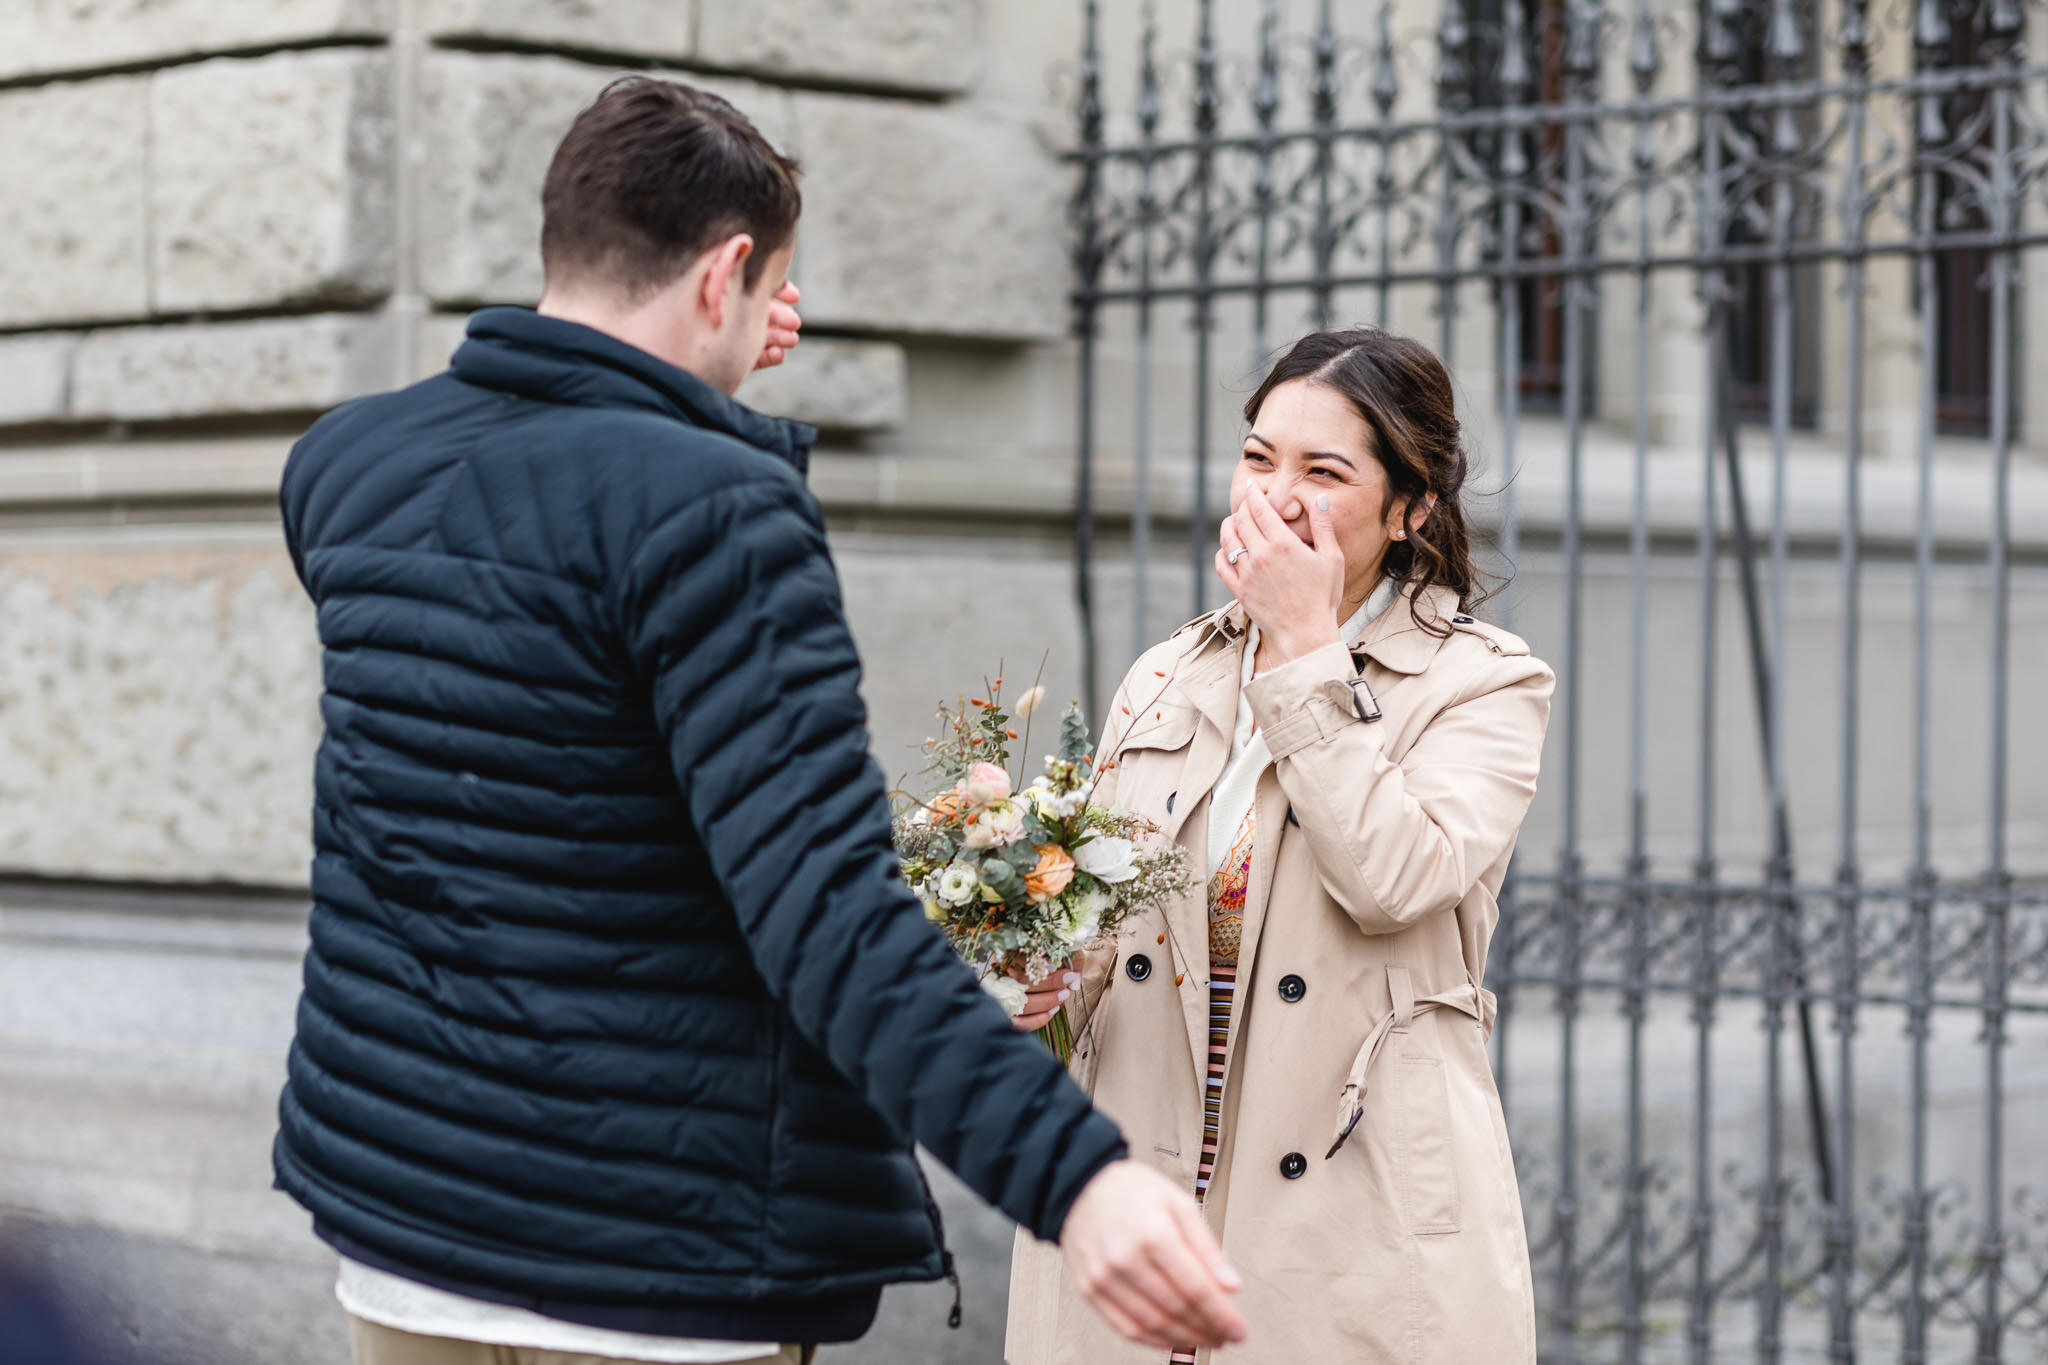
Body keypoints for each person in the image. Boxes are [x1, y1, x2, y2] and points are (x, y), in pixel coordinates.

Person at [271, 75, 1245, 1365]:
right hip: (647, 1260)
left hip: (402, 1234)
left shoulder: (347, 463)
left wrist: (699, 398)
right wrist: (1079, 1177)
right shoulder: (716, 508)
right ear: (730, 271)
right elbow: (824, 918)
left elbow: (560, 683)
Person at [1005, 329, 1554, 1364]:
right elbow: (1108, 932)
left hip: (1351, 1227)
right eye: (1258, 458)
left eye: (1323, 471)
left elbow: (1396, 878)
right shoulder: (1167, 673)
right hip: (1145, 1205)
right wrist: (1039, 984)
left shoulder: (1484, 683)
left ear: (1411, 507)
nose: (1276, 495)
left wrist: (1304, 647)